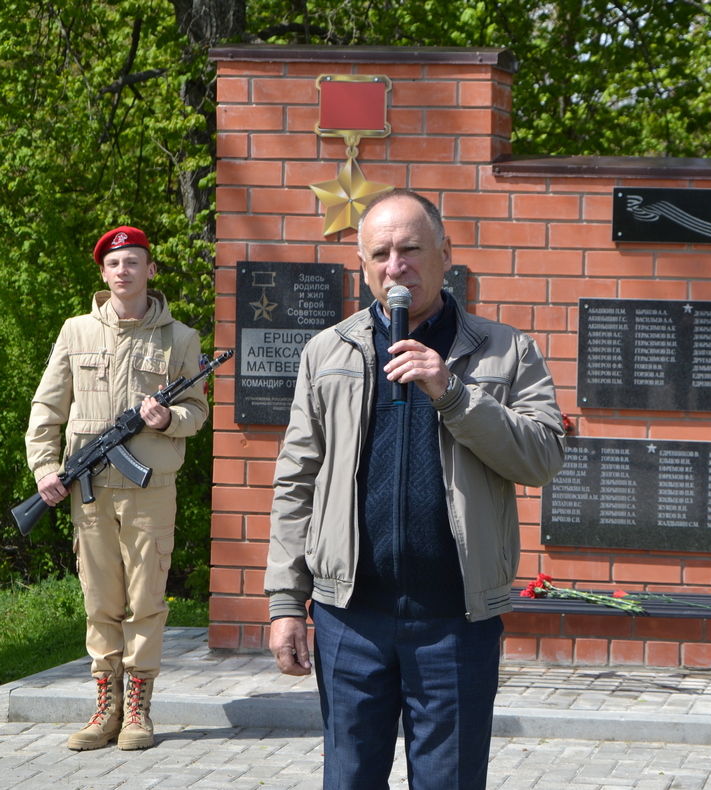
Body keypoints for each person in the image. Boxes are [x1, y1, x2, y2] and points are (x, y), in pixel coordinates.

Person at [266, 190, 565, 790]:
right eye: (380, 253)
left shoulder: (506, 350)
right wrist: (283, 603)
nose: (395, 266)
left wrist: (452, 392)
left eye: (410, 249)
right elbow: (296, 480)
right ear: (363, 262)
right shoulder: (327, 352)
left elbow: (542, 457)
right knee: (348, 779)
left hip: (455, 619)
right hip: (350, 617)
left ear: (444, 254)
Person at [25, 226, 210, 751]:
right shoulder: (76, 331)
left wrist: (166, 417)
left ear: (151, 270)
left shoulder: (181, 338)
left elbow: (197, 413)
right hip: (90, 489)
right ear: (103, 274)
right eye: (114, 263)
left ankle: (139, 712)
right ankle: (105, 707)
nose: (124, 270)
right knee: (100, 600)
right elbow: (47, 408)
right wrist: (44, 469)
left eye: (134, 261)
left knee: (146, 599)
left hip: (151, 490)